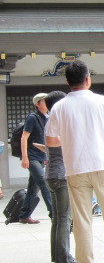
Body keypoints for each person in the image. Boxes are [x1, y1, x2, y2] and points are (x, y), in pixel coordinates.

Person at [45, 60, 104, 263]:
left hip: (75, 167)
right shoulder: (103, 101)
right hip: (102, 165)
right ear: (87, 79)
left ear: (67, 82)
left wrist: (68, 137)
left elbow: (51, 141)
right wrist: (99, 132)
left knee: (82, 219)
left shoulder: (59, 107)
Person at [43, 91, 76, 263]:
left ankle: (57, 255)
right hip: (61, 175)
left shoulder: (49, 123)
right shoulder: (61, 123)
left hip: (50, 174)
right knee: (64, 218)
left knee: (57, 218)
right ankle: (64, 257)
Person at [19, 92, 53, 224]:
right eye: (44, 101)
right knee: (43, 182)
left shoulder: (48, 118)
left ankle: (24, 215)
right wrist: (25, 157)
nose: (47, 103)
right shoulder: (32, 118)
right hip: (31, 156)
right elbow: (24, 137)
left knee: (33, 187)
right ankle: (54, 213)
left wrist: (46, 155)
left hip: (40, 156)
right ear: (37, 104)